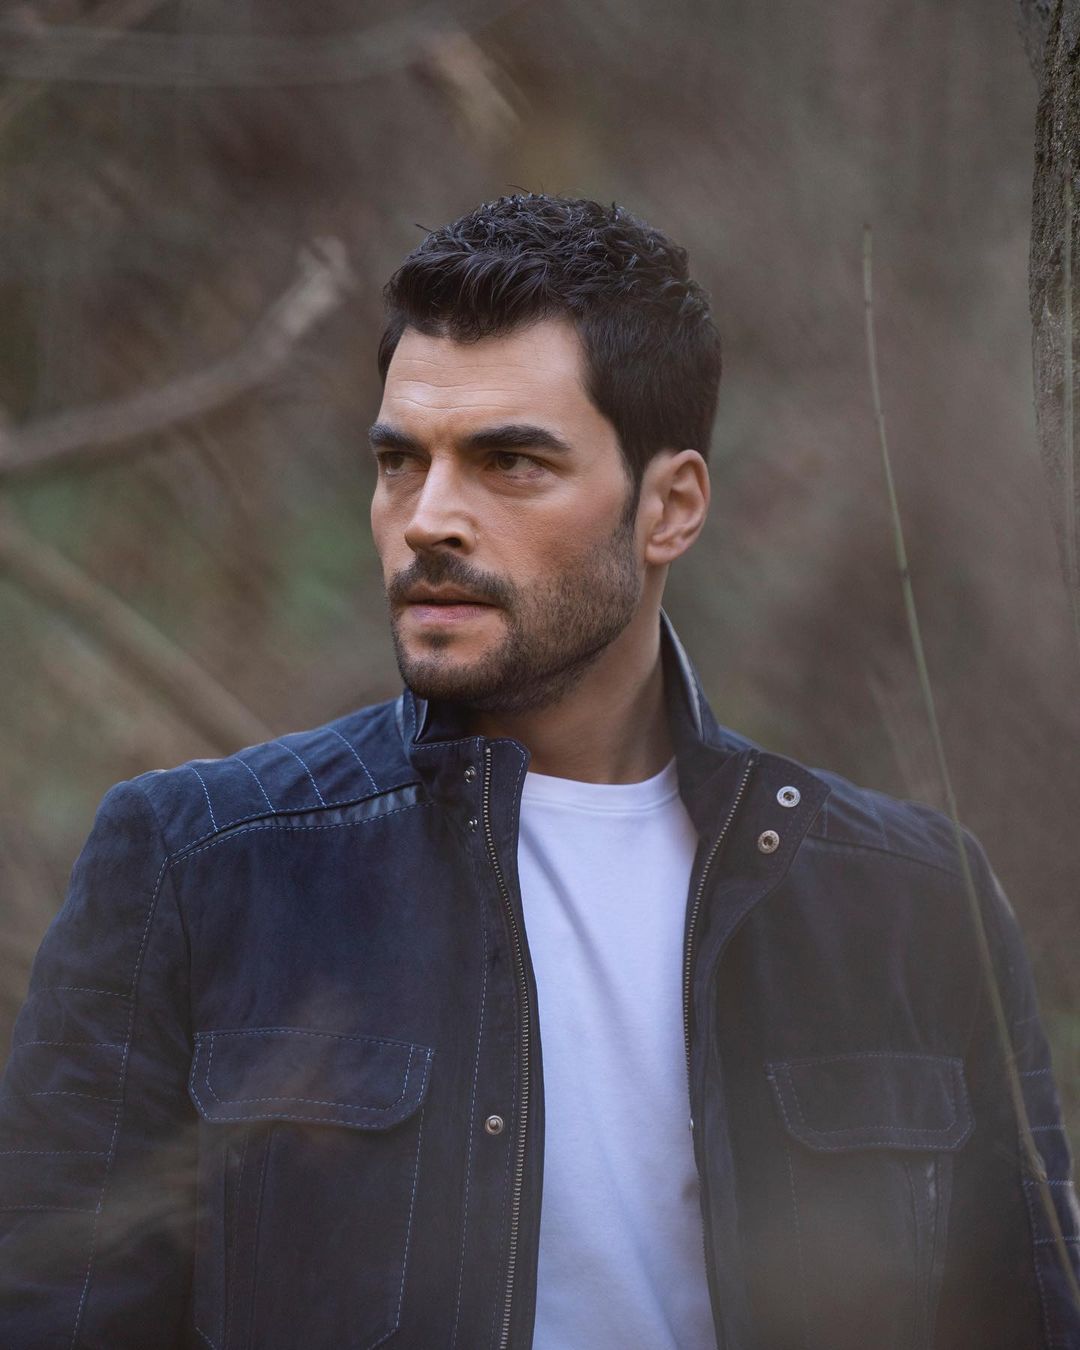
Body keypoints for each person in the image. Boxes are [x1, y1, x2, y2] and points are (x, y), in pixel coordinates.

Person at [0, 193, 1076, 1350]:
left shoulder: (911, 904)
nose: (429, 520)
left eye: (509, 462)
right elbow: (57, 1311)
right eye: (399, 461)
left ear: (670, 508)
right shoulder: (200, 868)